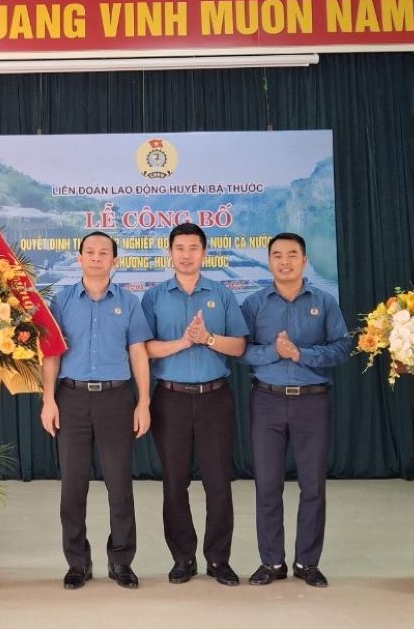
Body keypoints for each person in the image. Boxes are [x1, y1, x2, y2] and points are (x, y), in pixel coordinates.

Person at [40, 233, 152, 590]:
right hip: (71, 400)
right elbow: (52, 354)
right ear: (80, 258)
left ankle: (121, 561)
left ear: (114, 261)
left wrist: (144, 402)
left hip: (116, 400)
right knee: (73, 486)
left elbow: (138, 353)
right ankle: (77, 563)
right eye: (90, 252)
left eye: (104, 253)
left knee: (119, 486)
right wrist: (48, 399)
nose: (97, 257)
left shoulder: (130, 302)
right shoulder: (62, 301)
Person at [240, 233, 350, 588]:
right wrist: (276, 351)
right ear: (269, 261)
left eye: (292, 255)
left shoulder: (325, 302)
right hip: (267, 400)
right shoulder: (255, 304)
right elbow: (242, 351)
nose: (284, 261)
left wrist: (301, 354)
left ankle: (307, 563)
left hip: (312, 402)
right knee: (268, 485)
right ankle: (271, 563)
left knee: (313, 485)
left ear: (304, 261)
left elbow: (342, 349)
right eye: (277, 255)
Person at [141, 223, 248, 586]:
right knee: (175, 482)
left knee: (218, 482)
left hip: (215, 398)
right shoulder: (154, 297)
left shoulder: (222, 294)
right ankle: (183, 558)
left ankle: (219, 559)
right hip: (170, 399)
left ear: (204, 253)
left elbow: (240, 346)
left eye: (193, 248)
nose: (186, 254)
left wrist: (208, 338)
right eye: (180, 248)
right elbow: (144, 349)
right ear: (169, 253)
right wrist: (183, 343)